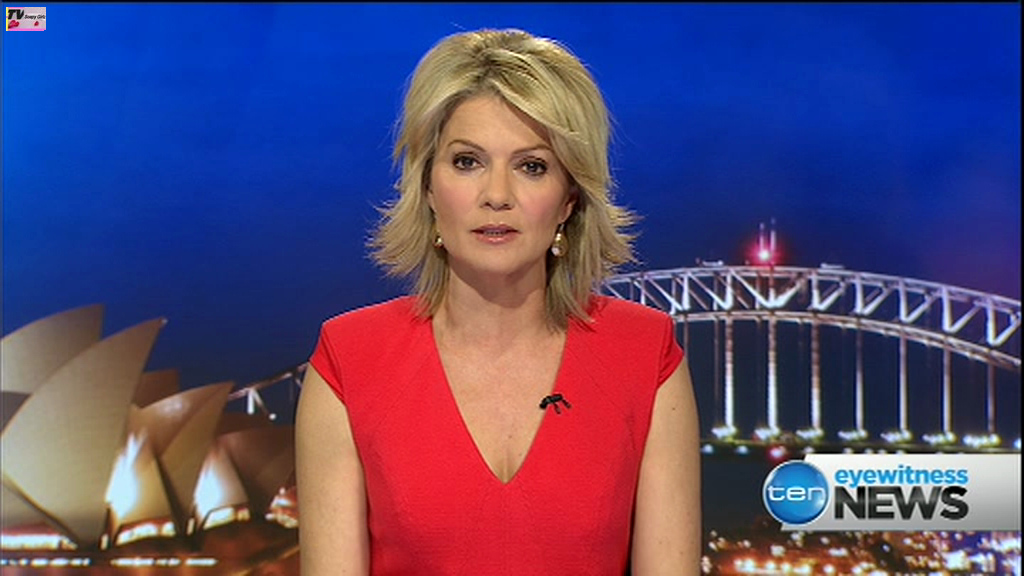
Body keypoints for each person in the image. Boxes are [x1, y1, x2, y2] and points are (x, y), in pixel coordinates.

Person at [295, 28, 701, 575]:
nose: (497, 195)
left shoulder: (645, 355)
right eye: (468, 162)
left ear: (569, 199)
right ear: (428, 186)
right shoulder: (349, 360)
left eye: (532, 166)